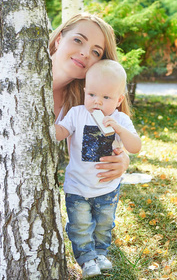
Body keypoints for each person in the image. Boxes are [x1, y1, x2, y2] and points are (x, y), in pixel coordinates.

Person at [0, 13, 130, 272]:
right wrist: (6, 131)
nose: (85, 53)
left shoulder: (83, 101)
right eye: (78, 40)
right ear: (58, 40)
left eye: (95, 51)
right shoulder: (6, 67)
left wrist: (122, 158)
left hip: (11, 174)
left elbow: (105, 141)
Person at [55, 60, 142, 278]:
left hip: (107, 188)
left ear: (119, 99)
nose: (97, 102)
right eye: (92, 95)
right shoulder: (77, 114)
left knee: (104, 224)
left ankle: (100, 253)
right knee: (80, 226)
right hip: (77, 186)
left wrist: (119, 129)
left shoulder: (120, 119)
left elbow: (135, 147)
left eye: (106, 98)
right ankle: (86, 260)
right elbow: (60, 132)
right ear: (85, 91)